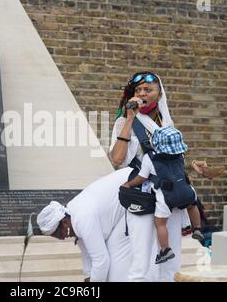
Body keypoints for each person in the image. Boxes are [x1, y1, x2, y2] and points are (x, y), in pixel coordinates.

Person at [109, 71, 208, 281]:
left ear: (159, 94)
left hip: (169, 197)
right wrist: (129, 120)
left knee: (172, 261)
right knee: (141, 262)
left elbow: (167, 163)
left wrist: (191, 165)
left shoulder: (166, 123)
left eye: (148, 89)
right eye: (138, 90)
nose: (142, 93)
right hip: (143, 197)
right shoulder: (124, 122)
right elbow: (117, 160)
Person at [37, 168, 132, 282]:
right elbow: (87, 254)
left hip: (136, 188)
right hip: (126, 201)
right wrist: (87, 277)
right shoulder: (72, 216)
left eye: (58, 233)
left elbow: (101, 260)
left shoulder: (82, 219)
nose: (61, 238)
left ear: (64, 222)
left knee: (114, 263)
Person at [122, 126, 197, 265]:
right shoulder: (181, 155)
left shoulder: (149, 158)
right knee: (193, 204)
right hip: (186, 191)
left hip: (167, 197)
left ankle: (165, 250)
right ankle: (197, 228)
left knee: (160, 223)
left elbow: (141, 178)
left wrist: (129, 184)